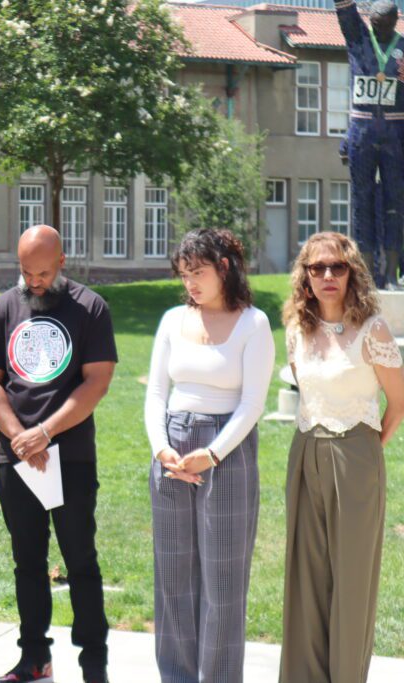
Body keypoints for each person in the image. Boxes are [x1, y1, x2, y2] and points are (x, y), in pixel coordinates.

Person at [0, 225, 115, 683]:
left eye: (41, 272)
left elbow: (97, 382)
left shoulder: (90, 308)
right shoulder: (2, 308)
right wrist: (19, 436)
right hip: (15, 458)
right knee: (27, 562)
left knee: (80, 561)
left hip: (69, 456)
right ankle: (35, 658)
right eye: (25, 271)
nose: (32, 281)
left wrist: (46, 432)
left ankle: (93, 664)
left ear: (61, 262)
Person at [143, 229, 275, 683]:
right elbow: (156, 391)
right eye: (184, 275)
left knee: (222, 583)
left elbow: (253, 403)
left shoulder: (253, 323)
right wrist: (161, 447)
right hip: (172, 450)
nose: (190, 283)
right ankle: (176, 676)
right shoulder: (171, 319)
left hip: (226, 452)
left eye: (198, 272)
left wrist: (213, 454)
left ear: (223, 268)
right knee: (173, 578)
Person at [279, 231, 404, 683]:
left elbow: (399, 402)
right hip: (305, 451)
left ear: (352, 272)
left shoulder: (373, 330)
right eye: (318, 268)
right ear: (305, 276)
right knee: (306, 576)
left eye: (337, 267)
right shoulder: (296, 328)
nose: (328, 276)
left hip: (356, 454)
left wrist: (366, 450)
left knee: (351, 580)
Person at [336, 0, 404, 285]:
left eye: (385, 26)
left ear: (395, 22)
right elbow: (344, 9)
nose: (379, 29)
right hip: (362, 133)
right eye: (375, 24)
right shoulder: (358, 38)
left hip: (396, 134)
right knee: (361, 202)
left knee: (395, 203)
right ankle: (364, 272)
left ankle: (390, 272)